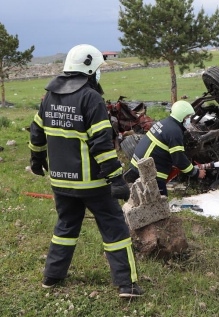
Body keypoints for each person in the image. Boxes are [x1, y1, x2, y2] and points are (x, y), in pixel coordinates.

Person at [29, 44, 142, 298]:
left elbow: (36, 131)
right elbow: (101, 143)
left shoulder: (49, 95)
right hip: (92, 183)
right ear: (89, 68)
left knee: (66, 226)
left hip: (60, 181)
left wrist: (36, 158)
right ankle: (128, 285)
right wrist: (116, 178)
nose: (99, 74)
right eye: (98, 69)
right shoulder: (91, 98)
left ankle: (52, 276)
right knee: (114, 228)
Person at [124, 100, 206, 196]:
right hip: (149, 171)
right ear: (181, 116)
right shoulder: (174, 131)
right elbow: (179, 159)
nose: (189, 119)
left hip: (138, 164)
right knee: (159, 203)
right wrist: (195, 173)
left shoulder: (165, 123)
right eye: (188, 117)